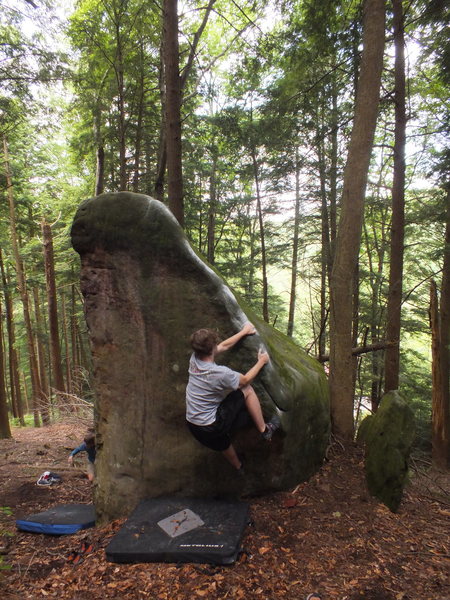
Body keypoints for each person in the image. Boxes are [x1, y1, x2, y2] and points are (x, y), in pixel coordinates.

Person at [185, 322, 280, 471]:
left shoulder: (194, 359)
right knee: (247, 390)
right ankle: (265, 430)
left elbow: (223, 346)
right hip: (212, 425)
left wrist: (244, 332)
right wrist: (262, 361)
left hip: (193, 424)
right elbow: (246, 380)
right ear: (211, 349)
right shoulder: (220, 373)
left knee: (222, 441)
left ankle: (238, 466)